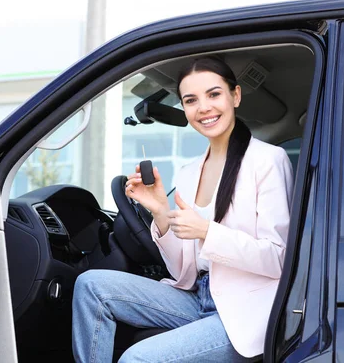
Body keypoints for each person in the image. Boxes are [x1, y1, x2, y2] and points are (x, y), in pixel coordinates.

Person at [72, 57, 293, 362]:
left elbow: (278, 259)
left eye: (214, 94)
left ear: (236, 96)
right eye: (191, 100)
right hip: (196, 296)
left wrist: (206, 231)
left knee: (137, 359)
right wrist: (161, 211)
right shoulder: (188, 173)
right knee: (91, 286)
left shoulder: (268, 160)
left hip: (244, 313)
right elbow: (183, 272)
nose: (203, 107)